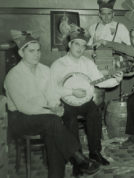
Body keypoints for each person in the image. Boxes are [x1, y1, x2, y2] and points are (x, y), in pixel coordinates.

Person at [4, 31, 100, 178]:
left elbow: (52, 93)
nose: (36, 54)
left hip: (44, 117)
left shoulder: (44, 70)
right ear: (21, 53)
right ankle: (79, 159)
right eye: (31, 51)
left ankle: (57, 175)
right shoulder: (13, 75)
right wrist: (51, 112)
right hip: (20, 118)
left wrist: (55, 105)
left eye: (38, 50)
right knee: (53, 122)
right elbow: (24, 107)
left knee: (53, 131)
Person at [49, 27, 123, 172]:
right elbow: (51, 89)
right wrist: (71, 92)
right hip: (66, 102)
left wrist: (116, 81)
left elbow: (99, 81)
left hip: (86, 102)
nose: (81, 48)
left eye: (84, 45)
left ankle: (95, 153)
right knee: (70, 120)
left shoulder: (87, 63)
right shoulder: (58, 64)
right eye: (77, 44)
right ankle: (78, 159)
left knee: (95, 113)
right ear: (69, 45)